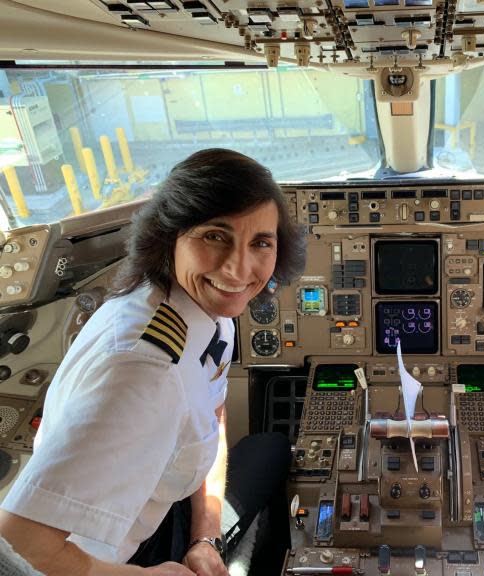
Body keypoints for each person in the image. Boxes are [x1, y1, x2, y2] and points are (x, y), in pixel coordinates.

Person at [0, 148, 306, 575]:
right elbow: (21, 544)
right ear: (170, 236)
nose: (239, 269)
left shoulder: (204, 309)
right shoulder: (143, 371)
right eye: (215, 235)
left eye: (260, 243)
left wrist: (205, 538)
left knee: (271, 447)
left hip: (168, 505)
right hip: (104, 556)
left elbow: (209, 412)